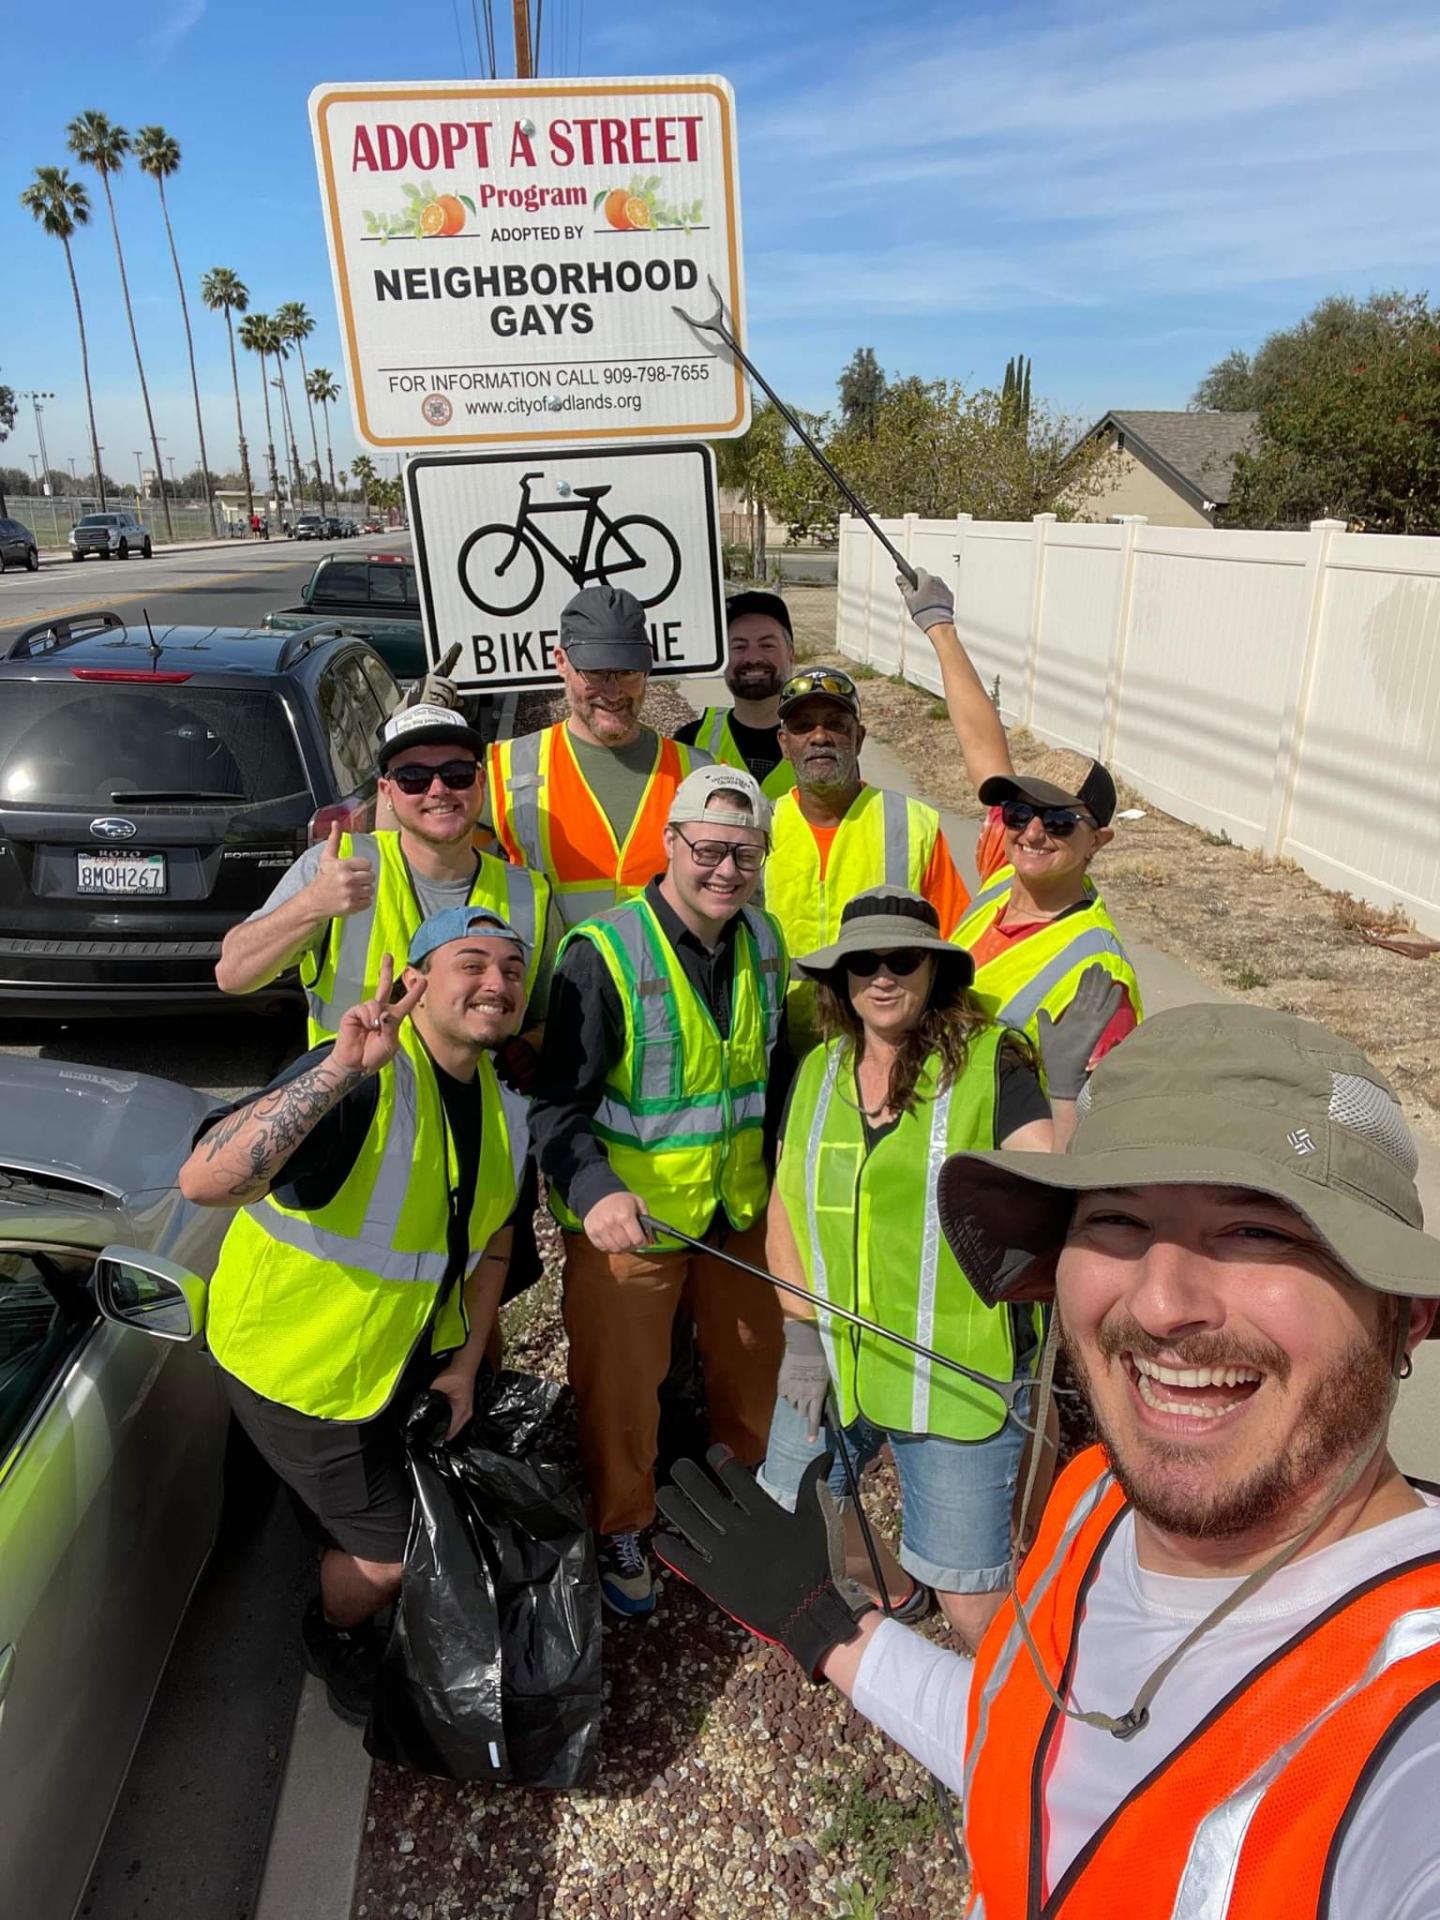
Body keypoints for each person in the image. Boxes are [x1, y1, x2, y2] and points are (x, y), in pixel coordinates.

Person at [656, 1004, 1440, 1913]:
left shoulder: (1406, 1731)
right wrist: (834, 1633)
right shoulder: (1095, 1502)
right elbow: (1036, 1746)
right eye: (1114, 1219)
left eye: (1259, 1232)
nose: (1160, 1303)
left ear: (1405, 1311)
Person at [178, 907, 532, 1724]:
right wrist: (337, 1069)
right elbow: (203, 1180)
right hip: (294, 1369)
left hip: (392, 1364)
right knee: (396, 1556)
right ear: (415, 982)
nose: (496, 982)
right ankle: (331, 1631)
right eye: (470, 962)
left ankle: (323, 1522)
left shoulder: (505, 1104)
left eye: (512, 970)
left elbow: (496, 1246)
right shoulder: (365, 1077)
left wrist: (467, 1367)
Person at [759, 888, 1117, 1648]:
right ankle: (891, 1589)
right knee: (792, 1507)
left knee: (974, 1606)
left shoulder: (993, 1065)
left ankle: (1028, 1737)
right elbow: (787, 1207)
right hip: (837, 1361)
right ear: (840, 981)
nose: (881, 977)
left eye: (902, 960)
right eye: (862, 964)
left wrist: (1058, 1091)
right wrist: (799, 1336)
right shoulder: (819, 1071)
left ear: (936, 973)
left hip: (954, 1378)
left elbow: (1048, 1195)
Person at [530, 765, 789, 1618]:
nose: (726, 870)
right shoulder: (601, 953)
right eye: (709, 850)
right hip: (628, 1226)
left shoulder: (768, 941)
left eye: (745, 855)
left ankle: (739, 1504)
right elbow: (556, 1107)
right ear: (670, 845)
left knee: (754, 1370)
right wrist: (596, 1190)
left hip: (735, 1209)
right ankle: (624, 1524)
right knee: (619, 1391)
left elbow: (769, 1076)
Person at [899, 569, 1141, 1061]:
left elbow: (1099, 1110)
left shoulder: (1098, 972)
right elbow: (984, 747)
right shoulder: (1003, 877)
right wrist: (939, 627)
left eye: (1058, 823)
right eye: (1018, 812)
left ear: (1098, 841)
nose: (1032, 832)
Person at [216, 704, 558, 1049]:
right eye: (413, 779)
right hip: (361, 1101)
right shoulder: (337, 867)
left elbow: (548, 1019)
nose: (438, 790)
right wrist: (311, 905)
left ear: (480, 781)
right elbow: (233, 975)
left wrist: (531, 1046)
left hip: (483, 1103)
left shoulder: (530, 893)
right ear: (387, 792)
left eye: (457, 774)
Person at [765, 664, 969, 1052]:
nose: (820, 736)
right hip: (773, 1050)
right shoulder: (758, 828)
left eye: (836, 725)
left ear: (859, 738)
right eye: (803, 726)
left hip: (885, 1045)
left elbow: (954, 942)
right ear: (783, 743)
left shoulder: (911, 824)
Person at [488, 584, 714, 930]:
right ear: (561, 661)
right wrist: (405, 740)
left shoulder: (701, 773)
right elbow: (420, 854)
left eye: (627, 672)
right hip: (556, 983)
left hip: (671, 983)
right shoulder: (502, 769)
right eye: (595, 673)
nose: (613, 691)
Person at [674, 589, 798, 798]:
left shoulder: (820, 740)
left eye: (767, 645)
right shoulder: (690, 741)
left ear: (791, 654)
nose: (753, 657)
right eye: (739, 646)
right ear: (721, 658)